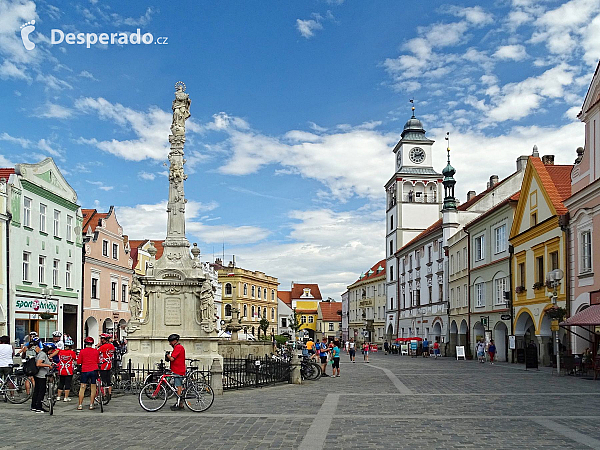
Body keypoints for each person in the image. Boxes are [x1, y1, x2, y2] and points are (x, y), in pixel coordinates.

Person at [77, 336, 100, 411]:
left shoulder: (82, 351)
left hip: (85, 370)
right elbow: (98, 361)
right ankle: (91, 404)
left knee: (82, 387)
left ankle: (80, 405)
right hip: (94, 370)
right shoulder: (96, 351)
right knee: (93, 388)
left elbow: (79, 362)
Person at [31, 341, 54, 413]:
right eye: (51, 350)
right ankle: (38, 407)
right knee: (41, 391)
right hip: (41, 375)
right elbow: (38, 364)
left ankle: (34, 406)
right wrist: (48, 365)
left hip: (38, 374)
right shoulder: (43, 354)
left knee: (37, 390)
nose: (51, 352)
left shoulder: (41, 354)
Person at [165, 334, 185, 410]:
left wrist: (167, 355)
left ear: (174, 341)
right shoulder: (178, 347)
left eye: (170, 342)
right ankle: (180, 404)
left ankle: (178, 404)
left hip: (178, 370)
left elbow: (172, 359)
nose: (170, 344)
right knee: (178, 386)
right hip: (177, 369)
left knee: (178, 387)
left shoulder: (178, 347)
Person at [57, 337, 76, 402]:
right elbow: (75, 359)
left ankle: (58, 397)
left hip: (61, 369)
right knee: (67, 383)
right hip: (68, 370)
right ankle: (66, 397)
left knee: (61, 383)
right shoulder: (72, 353)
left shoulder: (61, 352)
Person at [98, 334, 115, 399]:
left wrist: (98, 346)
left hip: (103, 365)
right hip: (109, 364)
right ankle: (110, 394)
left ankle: (104, 394)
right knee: (108, 380)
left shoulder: (103, 347)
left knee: (103, 380)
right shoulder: (112, 346)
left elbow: (97, 353)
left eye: (102, 339)